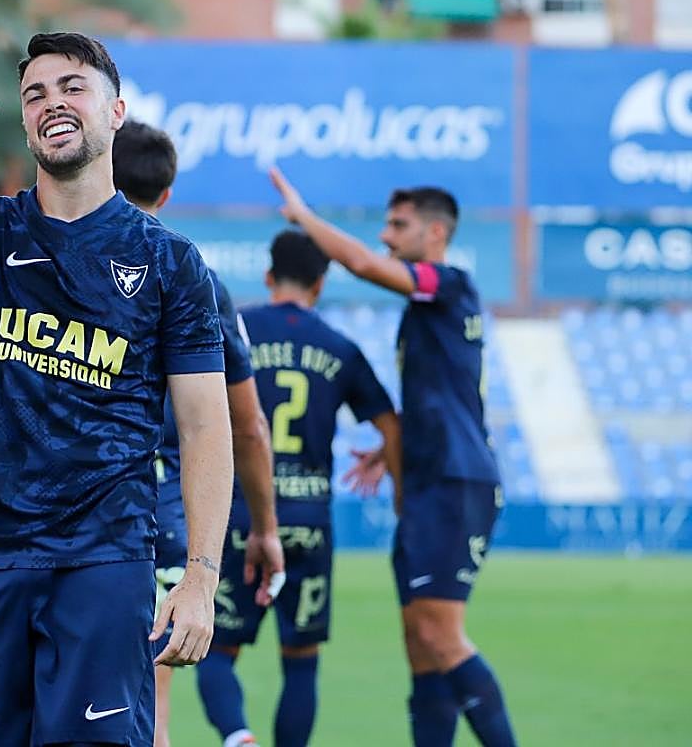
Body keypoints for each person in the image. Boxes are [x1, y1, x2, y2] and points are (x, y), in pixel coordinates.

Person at [0, 32, 235, 746]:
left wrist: (200, 578)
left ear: (115, 110)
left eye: (72, 87)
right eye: (35, 94)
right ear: (25, 122)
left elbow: (206, 429)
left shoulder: (171, 263)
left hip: (104, 563)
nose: (52, 103)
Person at [269, 167, 517, 747]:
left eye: (397, 225)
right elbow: (448, 394)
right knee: (420, 644)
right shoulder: (426, 312)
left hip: (456, 483)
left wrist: (304, 218)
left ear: (434, 233)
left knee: (440, 634)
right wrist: (391, 445)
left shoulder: (447, 284)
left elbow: (360, 264)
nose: (385, 236)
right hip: (432, 480)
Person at [110, 119, 283, 747]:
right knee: (147, 691)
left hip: (54, 513)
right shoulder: (196, 278)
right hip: (159, 516)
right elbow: (248, 427)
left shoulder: (52, 258)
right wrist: (263, 527)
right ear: (167, 193)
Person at [196, 229, 400, 747]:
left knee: (217, 650)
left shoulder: (235, 331)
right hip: (309, 521)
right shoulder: (340, 346)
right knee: (302, 663)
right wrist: (384, 462)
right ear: (321, 282)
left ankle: (238, 736)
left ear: (268, 277)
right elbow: (390, 424)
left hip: (238, 515)